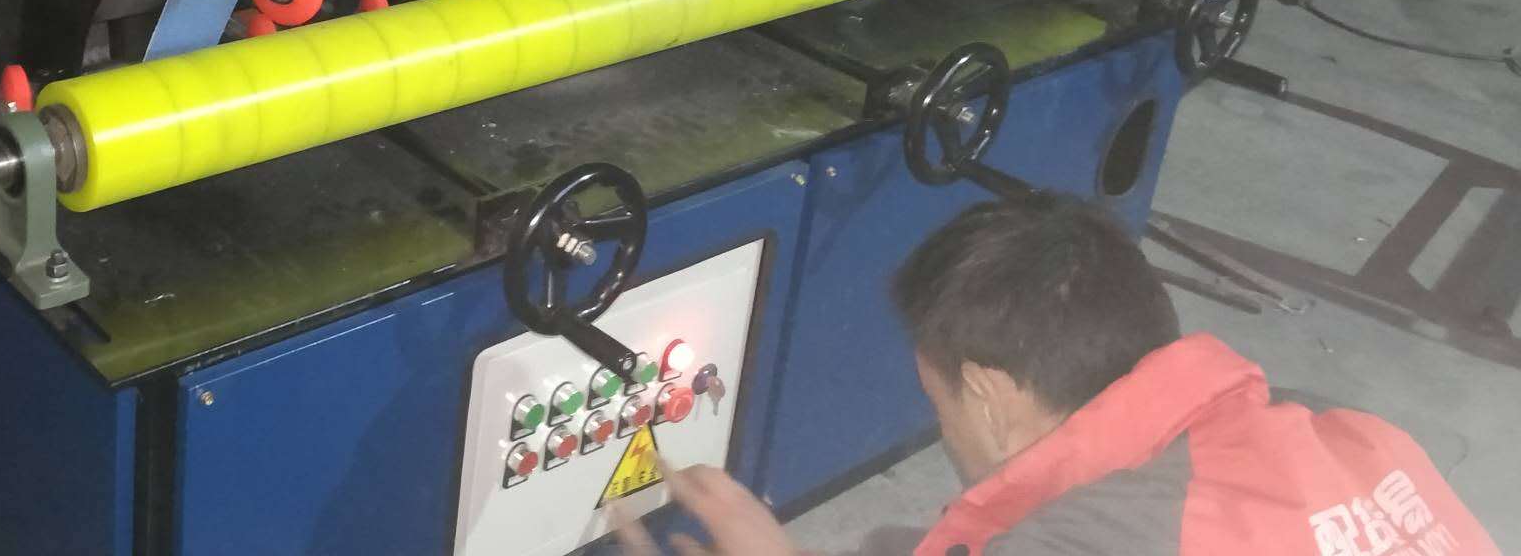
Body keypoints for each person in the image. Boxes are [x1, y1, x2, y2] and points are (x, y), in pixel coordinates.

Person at [636, 197, 1498, 555]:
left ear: (988, 391)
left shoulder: (1089, 540)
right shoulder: (1333, 428)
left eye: (940, 401)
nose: (944, 428)